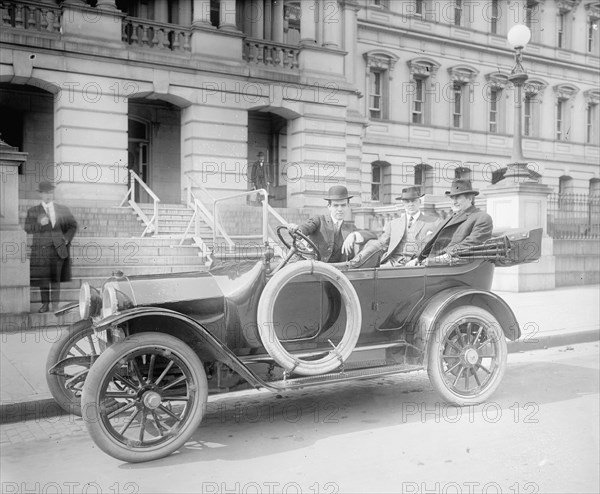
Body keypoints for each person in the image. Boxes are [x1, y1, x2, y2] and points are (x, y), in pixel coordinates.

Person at [407, 179, 493, 266]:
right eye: (452, 198)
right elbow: (431, 240)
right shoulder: (449, 218)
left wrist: (440, 258)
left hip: (453, 267)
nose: (454, 202)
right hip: (430, 265)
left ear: (470, 198)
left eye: (458, 197)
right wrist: (417, 258)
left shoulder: (481, 217)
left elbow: (472, 243)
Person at [25, 181, 78, 313]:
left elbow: (73, 225)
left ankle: (55, 305)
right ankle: (45, 304)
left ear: (52, 193)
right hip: (41, 250)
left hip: (58, 249)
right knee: (43, 278)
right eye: (44, 193)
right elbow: (27, 228)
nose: (47, 195)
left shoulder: (62, 209)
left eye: (49, 192)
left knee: (56, 278)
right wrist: (39, 224)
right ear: (40, 194)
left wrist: (66, 238)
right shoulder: (33, 211)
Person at [287, 185, 376, 263]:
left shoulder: (350, 228)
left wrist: (354, 235)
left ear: (348, 206)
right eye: (336, 205)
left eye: (343, 205)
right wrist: (296, 229)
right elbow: (304, 229)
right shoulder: (318, 220)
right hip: (314, 271)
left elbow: (372, 235)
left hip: (337, 276)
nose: (340, 209)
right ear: (329, 207)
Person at [373, 186, 439, 267]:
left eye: (414, 201)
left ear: (420, 202)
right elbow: (381, 244)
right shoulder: (393, 224)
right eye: (407, 201)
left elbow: (437, 247)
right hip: (393, 263)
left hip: (416, 264)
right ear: (403, 203)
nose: (411, 204)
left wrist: (420, 260)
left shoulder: (433, 222)